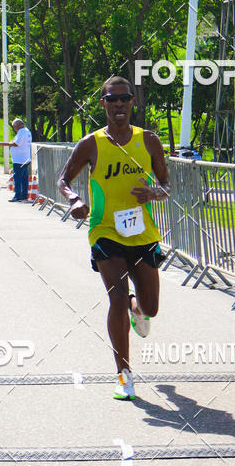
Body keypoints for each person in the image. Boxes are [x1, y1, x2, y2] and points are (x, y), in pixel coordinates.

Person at [58, 75, 170, 401]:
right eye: (112, 99)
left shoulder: (148, 140)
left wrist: (152, 192)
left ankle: (138, 306)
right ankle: (123, 374)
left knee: (151, 307)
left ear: (133, 102)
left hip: (142, 232)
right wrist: (74, 200)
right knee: (116, 298)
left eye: (124, 99)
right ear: (103, 103)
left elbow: (165, 186)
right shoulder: (91, 144)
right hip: (105, 230)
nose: (118, 105)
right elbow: (64, 179)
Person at [0, 118, 32, 202]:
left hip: (19, 159)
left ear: (18, 126)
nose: (14, 129)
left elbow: (16, 144)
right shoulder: (27, 131)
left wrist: (3, 143)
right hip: (25, 158)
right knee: (24, 178)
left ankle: (18, 195)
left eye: (14, 127)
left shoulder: (22, 132)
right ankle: (24, 195)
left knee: (17, 178)